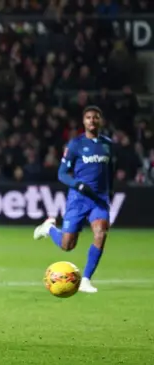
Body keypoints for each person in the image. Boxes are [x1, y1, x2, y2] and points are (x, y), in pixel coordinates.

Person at [33, 106, 114, 293]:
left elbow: (110, 170)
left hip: (99, 199)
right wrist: (77, 184)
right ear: (83, 121)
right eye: (88, 118)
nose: (92, 121)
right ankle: (49, 228)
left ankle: (85, 279)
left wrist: (110, 192)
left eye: (95, 117)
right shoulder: (75, 145)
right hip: (78, 199)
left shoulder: (108, 144)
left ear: (100, 120)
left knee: (101, 233)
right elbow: (62, 174)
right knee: (67, 245)